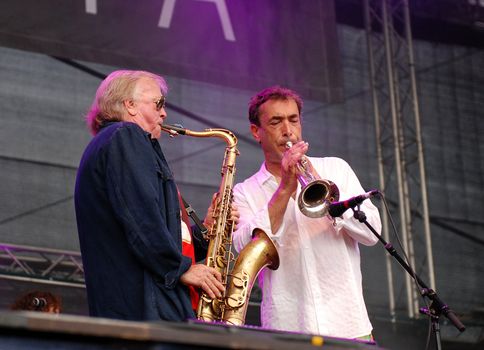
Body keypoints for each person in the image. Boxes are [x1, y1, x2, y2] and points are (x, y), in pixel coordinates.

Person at [74, 70, 226, 322]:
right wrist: (179, 268)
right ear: (129, 105)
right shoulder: (125, 135)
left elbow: (150, 224)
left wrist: (206, 231)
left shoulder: (115, 143)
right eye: (158, 104)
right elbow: (140, 219)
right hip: (147, 310)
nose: (164, 113)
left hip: (137, 307)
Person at [232, 86, 381, 339]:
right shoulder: (244, 191)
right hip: (288, 328)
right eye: (276, 122)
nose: (287, 131)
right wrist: (284, 189)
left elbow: (373, 233)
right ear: (256, 131)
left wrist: (322, 185)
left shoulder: (335, 168)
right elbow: (243, 248)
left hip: (348, 323)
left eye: (293, 120)